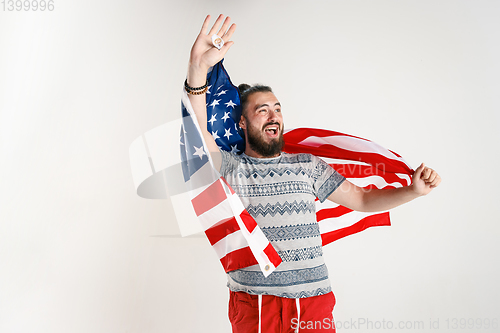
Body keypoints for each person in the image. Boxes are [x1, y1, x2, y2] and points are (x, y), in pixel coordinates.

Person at [185, 14, 441, 333]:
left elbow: (361, 199)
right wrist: (198, 66)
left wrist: (413, 191)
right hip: (255, 305)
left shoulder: (307, 165)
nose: (273, 114)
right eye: (261, 110)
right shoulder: (232, 167)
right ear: (242, 123)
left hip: (312, 305)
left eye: (277, 108)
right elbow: (197, 135)